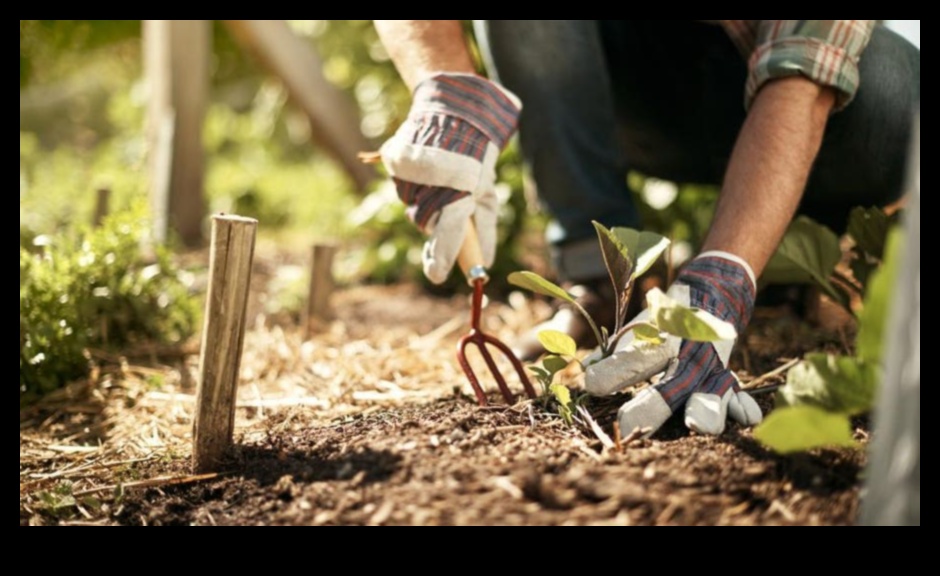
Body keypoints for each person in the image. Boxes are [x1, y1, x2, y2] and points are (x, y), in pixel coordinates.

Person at [372, 20, 920, 438]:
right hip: (625, 87)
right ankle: (602, 278)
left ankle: (778, 260)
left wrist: (724, 277)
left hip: (790, 84)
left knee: (896, 98)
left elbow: (805, 79)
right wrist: (444, 89)